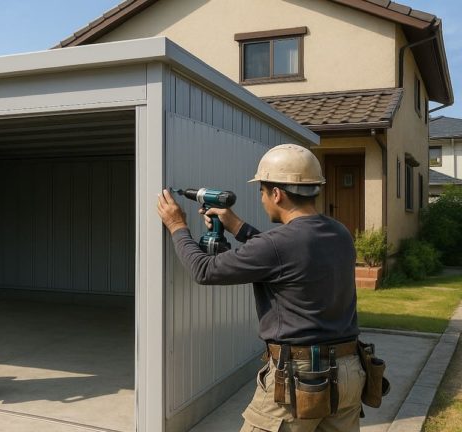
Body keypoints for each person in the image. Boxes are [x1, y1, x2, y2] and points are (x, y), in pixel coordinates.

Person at [156, 144, 364, 431]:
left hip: (300, 379)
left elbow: (204, 270)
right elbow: (286, 254)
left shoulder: (276, 245)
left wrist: (177, 225)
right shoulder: (339, 233)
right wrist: (237, 226)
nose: (263, 199)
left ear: (277, 194)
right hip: (349, 372)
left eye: (262, 192)